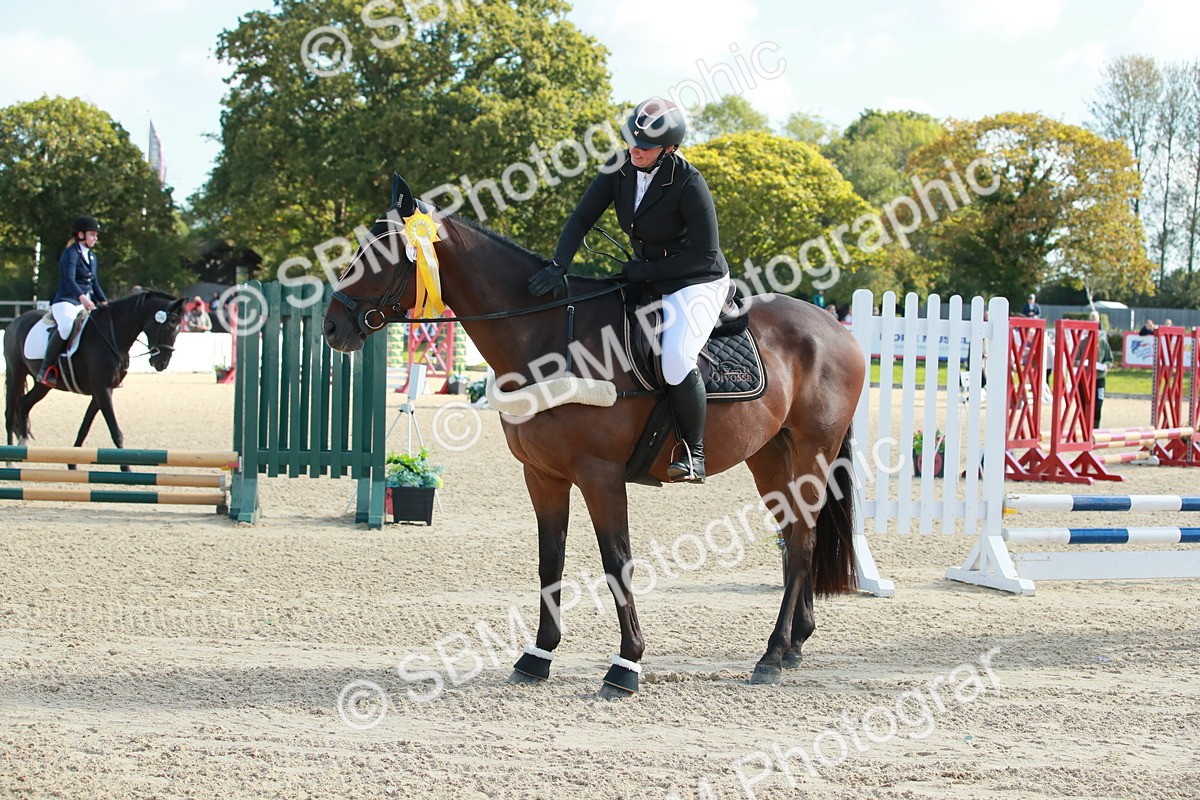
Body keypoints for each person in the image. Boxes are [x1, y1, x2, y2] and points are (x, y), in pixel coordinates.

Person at [528, 96, 730, 483]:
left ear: (669, 148)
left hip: (696, 281)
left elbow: (705, 255)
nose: (634, 149)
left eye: (645, 146)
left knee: (676, 357)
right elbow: (583, 216)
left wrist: (649, 270)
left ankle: (694, 453)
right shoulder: (620, 166)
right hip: (647, 275)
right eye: (631, 141)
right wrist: (559, 265)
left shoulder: (689, 183)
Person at [39, 215, 108, 387]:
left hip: (84, 301)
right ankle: (46, 368)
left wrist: (105, 302)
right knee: (66, 326)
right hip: (66, 301)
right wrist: (82, 297)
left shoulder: (92, 257)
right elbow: (69, 279)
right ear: (80, 235)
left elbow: (94, 283)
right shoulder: (70, 253)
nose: (95, 238)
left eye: (95, 235)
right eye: (92, 234)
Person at [1089, 311, 1114, 427]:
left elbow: (1110, 359)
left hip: (1100, 378)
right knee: (1086, 406)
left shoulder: (1104, 344)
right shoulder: (1084, 342)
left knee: (1098, 405)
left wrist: (1106, 366)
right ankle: (1087, 429)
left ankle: (1096, 428)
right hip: (1087, 379)